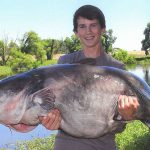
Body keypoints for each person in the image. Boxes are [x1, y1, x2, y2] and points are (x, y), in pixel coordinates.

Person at [39, 5, 139, 150]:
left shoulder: (117, 69)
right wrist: (49, 119)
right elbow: (52, 105)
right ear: (76, 32)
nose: (88, 31)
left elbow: (119, 128)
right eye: (82, 26)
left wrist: (126, 117)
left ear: (103, 29)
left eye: (93, 25)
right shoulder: (64, 63)